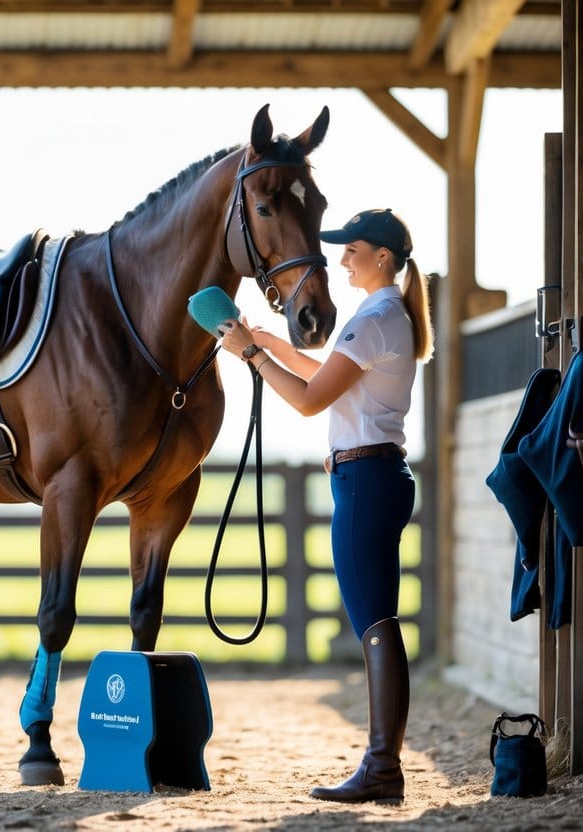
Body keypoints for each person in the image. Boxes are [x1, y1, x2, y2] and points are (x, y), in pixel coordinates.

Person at [218, 208, 433, 803]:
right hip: (370, 474)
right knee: (377, 621)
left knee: (374, 623)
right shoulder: (381, 315)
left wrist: (253, 360)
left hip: (365, 480)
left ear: (382, 258)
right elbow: (329, 377)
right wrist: (265, 343)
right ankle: (382, 762)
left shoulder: (378, 316)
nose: (341, 260)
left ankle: (382, 766)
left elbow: (312, 401)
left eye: (352, 250)